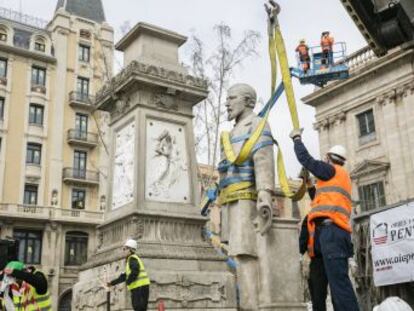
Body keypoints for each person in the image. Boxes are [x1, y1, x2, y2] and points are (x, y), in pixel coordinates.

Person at [219, 83, 275, 310]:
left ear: (248, 101)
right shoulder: (232, 131)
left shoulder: (258, 124)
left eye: (232, 98)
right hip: (230, 201)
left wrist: (265, 192)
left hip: (245, 199)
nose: (227, 103)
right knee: (236, 256)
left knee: (245, 254)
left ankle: (253, 306)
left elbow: (263, 159)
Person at [290, 128, 359, 311]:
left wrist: (297, 139)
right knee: (326, 284)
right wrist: (309, 185)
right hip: (330, 235)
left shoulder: (331, 170)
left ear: (329, 158)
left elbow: (307, 160)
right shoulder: (337, 177)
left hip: (332, 233)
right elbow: (321, 201)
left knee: (339, 285)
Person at [108, 239, 150, 311]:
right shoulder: (130, 261)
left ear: (130, 250)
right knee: (139, 308)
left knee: (138, 308)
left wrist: (128, 281)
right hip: (140, 288)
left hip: (139, 288)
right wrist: (112, 283)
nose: (123, 251)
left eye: (125, 249)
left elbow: (135, 271)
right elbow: (124, 276)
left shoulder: (132, 259)